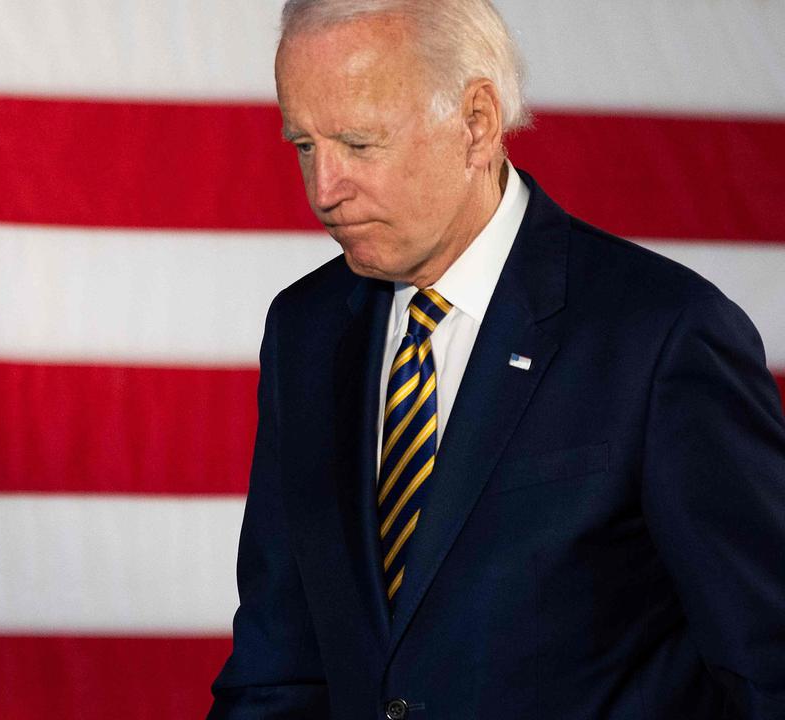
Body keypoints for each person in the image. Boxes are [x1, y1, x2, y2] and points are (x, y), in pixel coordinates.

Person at [208, 1, 785, 717]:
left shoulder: (662, 337)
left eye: (358, 145)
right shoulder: (305, 330)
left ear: (477, 122)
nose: (324, 190)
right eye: (303, 145)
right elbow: (277, 665)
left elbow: (768, 666)